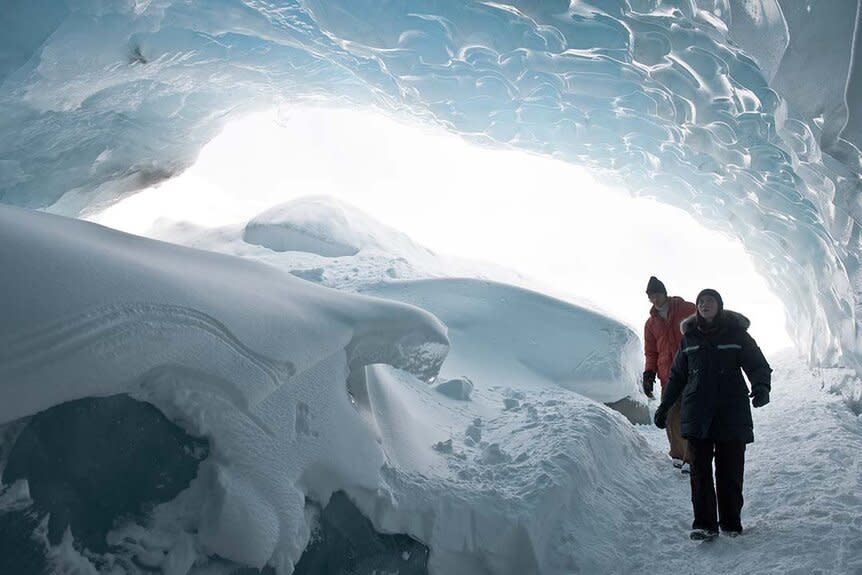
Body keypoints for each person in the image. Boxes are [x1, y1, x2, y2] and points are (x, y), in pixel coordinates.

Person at [654, 288, 772, 541]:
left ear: (719, 305)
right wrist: (665, 406)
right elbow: (677, 376)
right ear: (696, 307)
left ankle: (731, 523)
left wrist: (761, 386)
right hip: (697, 412)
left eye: (710, 300)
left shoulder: (737, 333)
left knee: (730, 471)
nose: (705, 304)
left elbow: (757, 363)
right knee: (699, 471)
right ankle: (705, 524)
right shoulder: (689, 338)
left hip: (731, 410)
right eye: (701, 301)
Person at [643, 276, 696, 472]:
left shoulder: (688, 309)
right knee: (671, 414)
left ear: (664, 293)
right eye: (650, 297)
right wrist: (649, 373)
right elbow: (651, 351)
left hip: (691, 371)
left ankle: (691, 457)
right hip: (667, 375)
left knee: (689, 413)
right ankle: (677, 454)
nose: (654, 300)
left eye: (656, 295)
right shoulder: (651, 323)